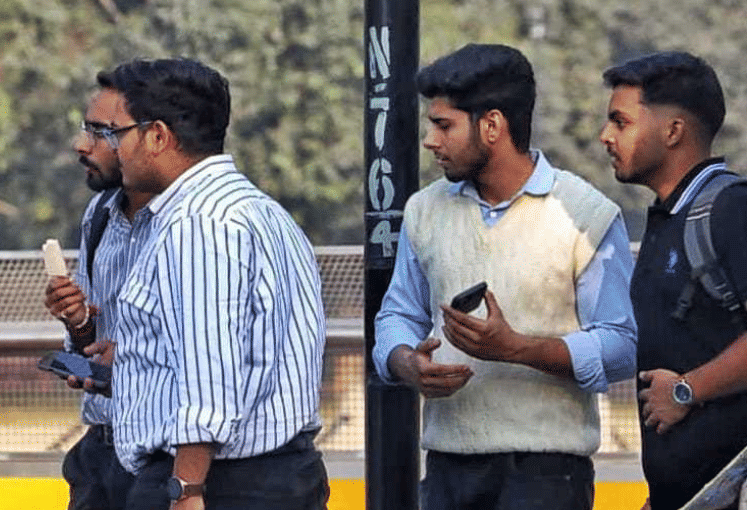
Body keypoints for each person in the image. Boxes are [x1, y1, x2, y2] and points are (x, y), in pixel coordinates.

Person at [373, 43, 637, 510]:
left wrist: (518, 349)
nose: (430, 140)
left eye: (443, 125)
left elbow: (621, 345)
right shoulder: (424, 210)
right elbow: (398, 315)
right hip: (447, 472)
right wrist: (405, 363)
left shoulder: (585, 214)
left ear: (492, 126)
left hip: (548, 476)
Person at [97, 58, 328, 510]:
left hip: (218, 482)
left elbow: (210, 373)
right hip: (280, 472)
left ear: (157, 136)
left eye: (117, 134)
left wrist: (186, 489)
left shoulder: (197, 223)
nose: (112, 149)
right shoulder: (262, 210)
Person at [601, 52, 747, 510]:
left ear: (673, 131)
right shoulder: (667, 219)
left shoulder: (731, 209)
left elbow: (678, 391)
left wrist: (687, 389)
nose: (605, 136)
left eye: (621, 122)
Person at [42, 86, 157, 510]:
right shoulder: (100, 214)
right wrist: (77, 321)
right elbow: (88, 342)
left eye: (101, 132)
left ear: (155, 137)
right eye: (83, 129)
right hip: (102, 450)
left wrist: (133, 361)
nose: (81, 145)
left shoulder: (193, 225)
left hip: (158, 452)